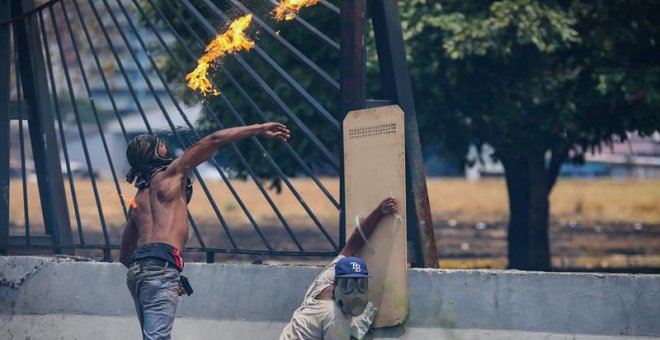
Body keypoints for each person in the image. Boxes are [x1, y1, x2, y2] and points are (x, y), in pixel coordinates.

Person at [119, 122, 290, 340]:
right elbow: (213, 140)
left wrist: (162, 270)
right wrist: (258, 129)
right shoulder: (172, 175)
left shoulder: (137, 200)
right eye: (162, 145)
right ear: (154, 154)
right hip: (161, 268)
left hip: (138, 272)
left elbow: (125, 256)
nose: (166, 147)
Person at [280, 196, 398, 340]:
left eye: (360, 284)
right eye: (348, 284)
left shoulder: (326, 280)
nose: (355, 291)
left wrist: (379, 212)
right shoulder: (336, 316)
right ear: (336, 282)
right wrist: (355, 333)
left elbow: (353, 244)